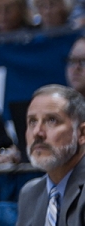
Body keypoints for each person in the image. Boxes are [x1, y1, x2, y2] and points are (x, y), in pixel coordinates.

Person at [17, 85, 85, 226]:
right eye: (32, 121)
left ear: (82, 134)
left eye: (52, 120)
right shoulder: (30, 193)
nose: (37, 132)